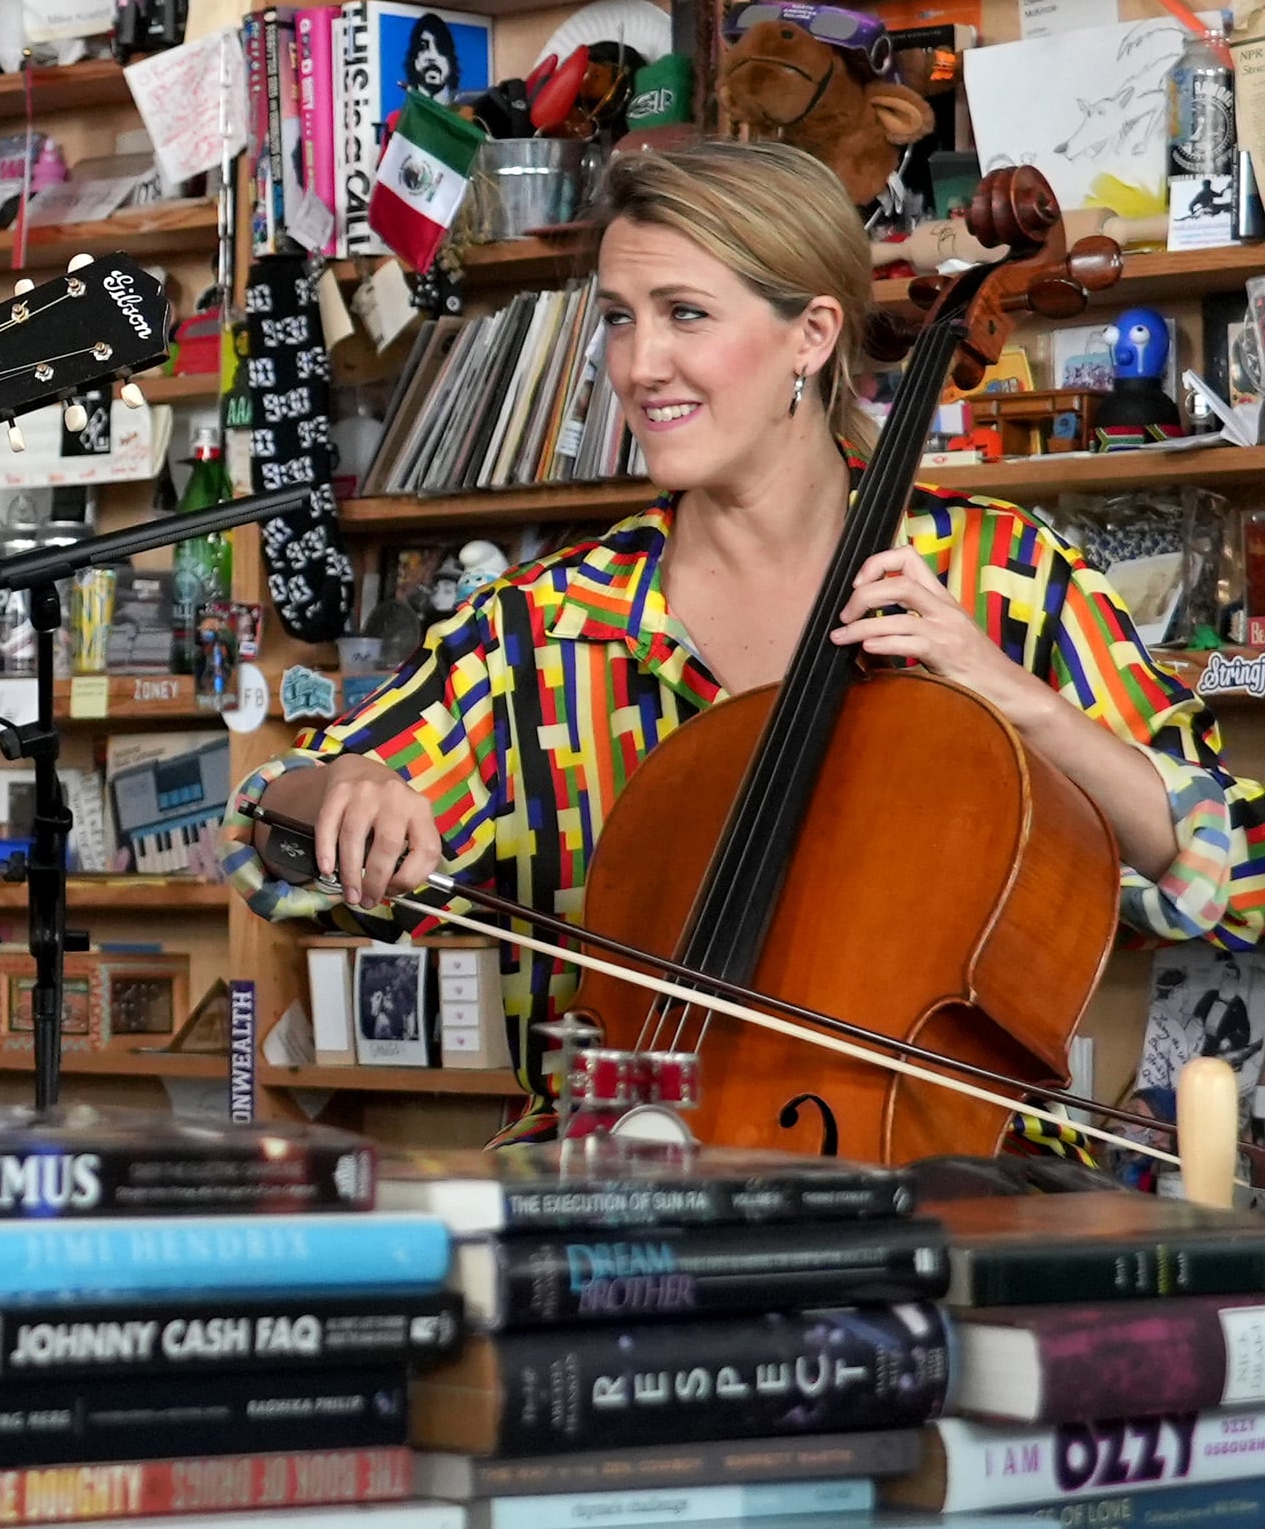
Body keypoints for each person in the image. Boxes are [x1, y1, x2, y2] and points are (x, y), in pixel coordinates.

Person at [235, 139, 1265, 1139]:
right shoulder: (544, 628)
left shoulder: (1002, 580)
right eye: (620, 320)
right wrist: (333, 795)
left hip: (956, 1180)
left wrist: (1009, 694)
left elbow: (1221, 867)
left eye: (686, 314)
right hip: (622, 1172)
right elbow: (269, 840)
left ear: (812, 336)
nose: (640, 365)